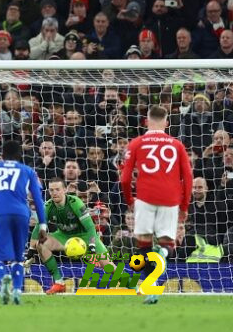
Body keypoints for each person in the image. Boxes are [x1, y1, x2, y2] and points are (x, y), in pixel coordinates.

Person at [120, 105, 193, 305]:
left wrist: (130, 201)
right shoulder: (177, 145)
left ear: (146, 121)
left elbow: (125, 179)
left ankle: (149, 287)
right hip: (170, 199)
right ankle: (159, 262)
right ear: (166, 123)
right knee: (167, 243)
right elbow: (188, 177)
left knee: (142, 244)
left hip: (144, 197)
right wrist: (184, 206)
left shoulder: (137, 143)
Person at [0, 140, 47, 305]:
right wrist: (42, 224)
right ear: (20, 155)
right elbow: (38, 199)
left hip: (0, 215)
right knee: (18, 258)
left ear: (2, 155)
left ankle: (4, 278)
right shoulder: (28, 171)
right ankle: (16, 291)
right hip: (22, 215)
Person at [26, 178, 113, 295]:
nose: (54, 193)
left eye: (57, 189)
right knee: (42, 244)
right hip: (64, 236)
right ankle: (59, 282)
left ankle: (135, 288)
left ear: (65, 190)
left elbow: (90, 227)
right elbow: (38, 228)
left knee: (108, 267)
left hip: (86, 236)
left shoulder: (75, 203)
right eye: (51, 190)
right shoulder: (47, 207)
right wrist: (31, 251)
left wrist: (92, 246)